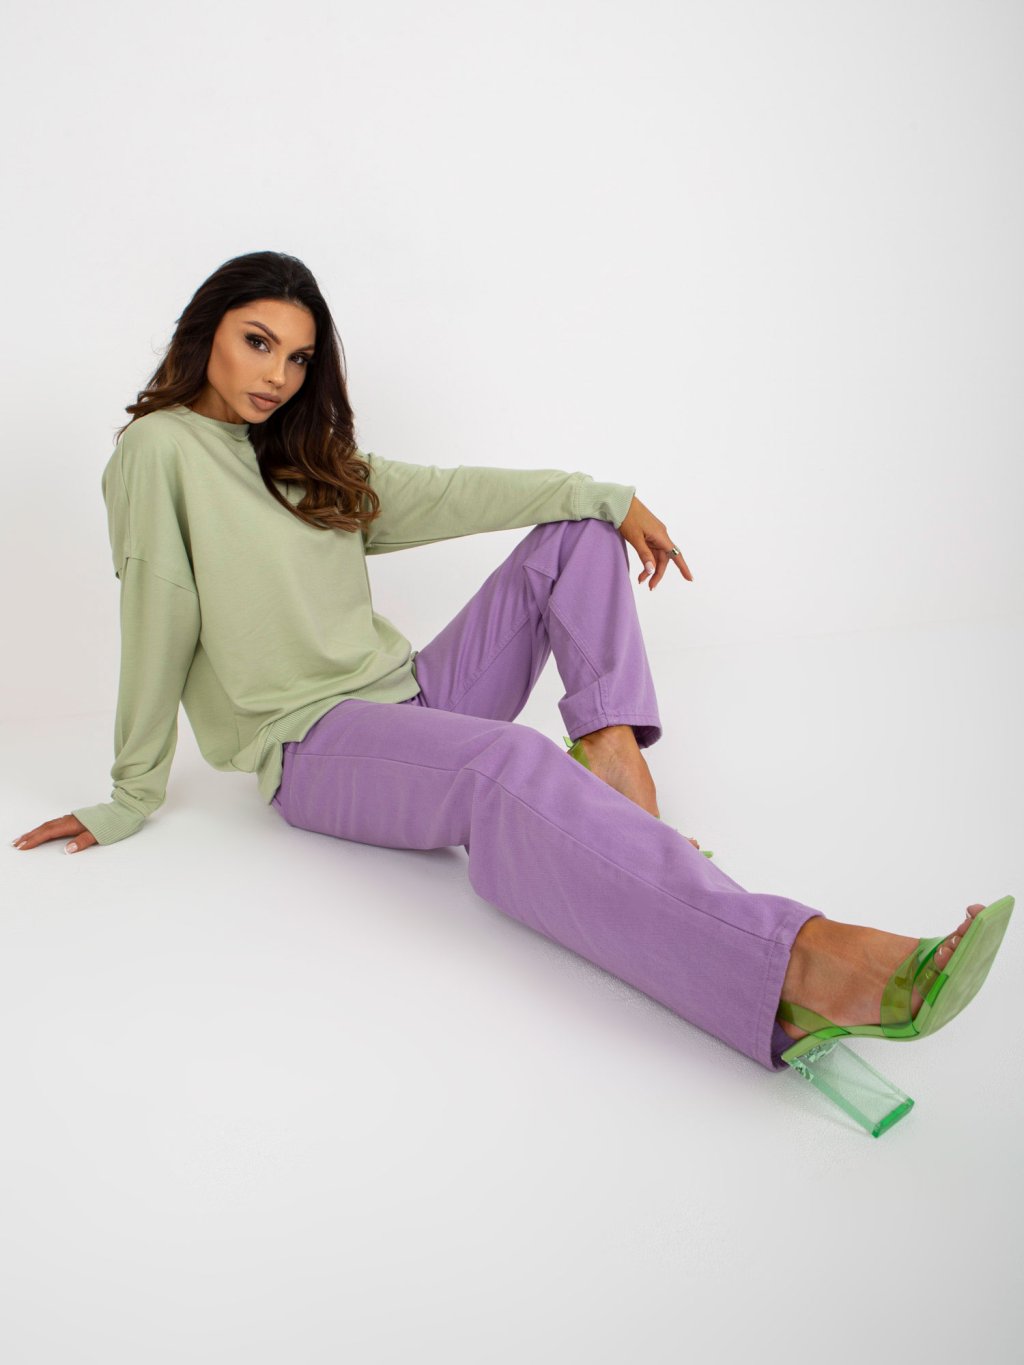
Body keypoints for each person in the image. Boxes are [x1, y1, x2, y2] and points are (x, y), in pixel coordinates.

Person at [10, 250, 1011, 1106]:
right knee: (506, 762)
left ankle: (614, 769)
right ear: (206, 334)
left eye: (298, 356)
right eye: (257, 341)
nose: (277, 374)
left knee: (576, 537)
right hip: (315, 745)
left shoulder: (303, 455)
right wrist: (131, 793)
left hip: (414, 696)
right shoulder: (161, 452)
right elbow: (156, 616)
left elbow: (451, 493)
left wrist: (603, 496)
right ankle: (802, 967)